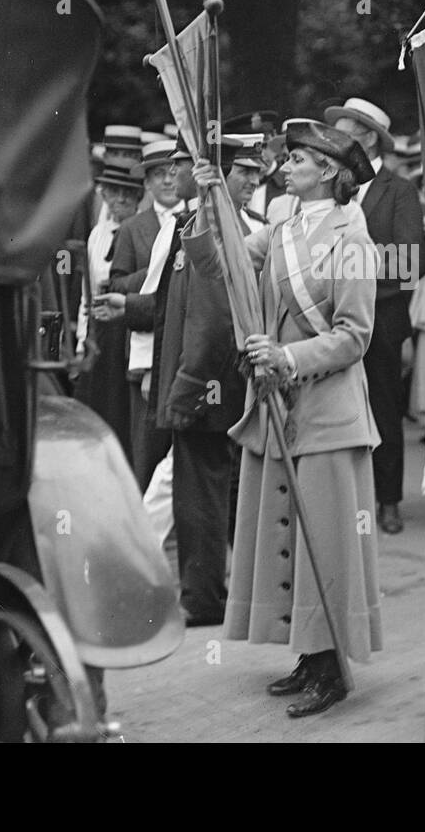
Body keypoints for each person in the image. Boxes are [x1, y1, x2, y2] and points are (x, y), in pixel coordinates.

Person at [200, 119, 382, 718]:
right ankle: (307, 656)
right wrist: (209, 201)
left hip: (329, 411)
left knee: (325, 543)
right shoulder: (282, 223)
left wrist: (287, 357)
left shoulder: (353, 240)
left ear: (328, 171)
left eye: (297, 157)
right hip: (282, 407)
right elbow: (218, 264)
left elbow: (355, 337)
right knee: (289, 535)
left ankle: (331, 670)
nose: (285, 165)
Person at [156, 136, 265, 628]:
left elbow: (211, 322)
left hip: (206, 383)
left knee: (199, 495)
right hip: (211, 382)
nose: (254, 180)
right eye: (245, 170)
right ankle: (221, 593)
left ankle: (202, 599)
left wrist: (186, 387)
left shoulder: (217, 230)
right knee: (209, 490)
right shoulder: (208, 225)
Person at [326, 97, 425, 535]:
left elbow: (412, 260)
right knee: (335, 411)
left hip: (382, 320)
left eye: (346, 132)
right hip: (333, 318)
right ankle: (341, 501)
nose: (337, 141)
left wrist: (347, 267)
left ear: (368, 137)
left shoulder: (399, 190)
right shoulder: (333, 186)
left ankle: (388, 501)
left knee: (382, 409)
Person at [107, 136, 180, 491]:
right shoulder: (133, 229)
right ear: (147, 184)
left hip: (184, 354)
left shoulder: (194, 219)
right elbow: (116, 287)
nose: (167, 180)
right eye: (158, 175)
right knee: (147, 447)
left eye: (172, 172)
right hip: (146, 353)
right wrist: (158, 266)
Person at [74, 161, 141, 454]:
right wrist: (81, 342)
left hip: (127, 326)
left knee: (123, 408)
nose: (122, 200)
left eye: (129, 192)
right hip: (100, 329)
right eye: (114, 192)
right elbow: (86, 295)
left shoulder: (143, 231)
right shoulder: (96, 235)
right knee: (97, 403)